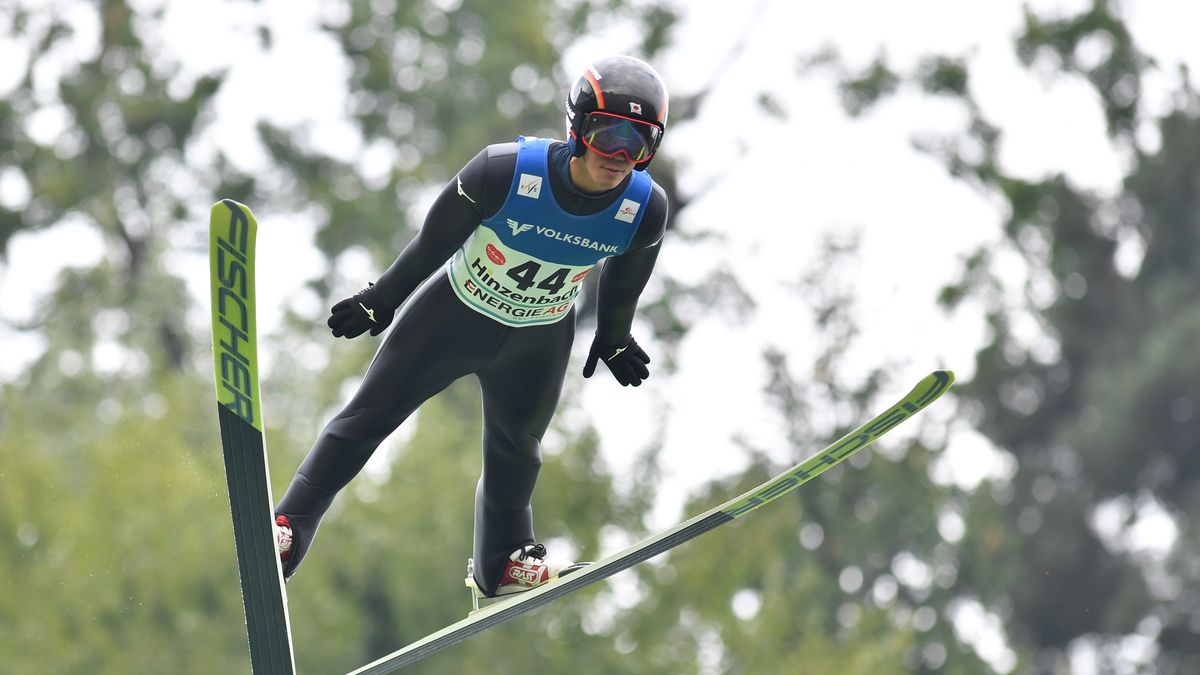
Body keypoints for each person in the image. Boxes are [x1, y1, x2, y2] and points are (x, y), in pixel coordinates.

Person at [273, 55, 671, 604]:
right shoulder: (505, 171)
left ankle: (504, 563)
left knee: (518, 451)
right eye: (609, 137)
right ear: (577, 128)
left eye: (640, 143)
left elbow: (625, 278)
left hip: (539, 338)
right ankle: (289, 527)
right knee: (368, 417)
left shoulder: (643, 208)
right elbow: (433, 241)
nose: (621, 158)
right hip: (455, 316)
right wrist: (382, 298)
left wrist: (615, 335)